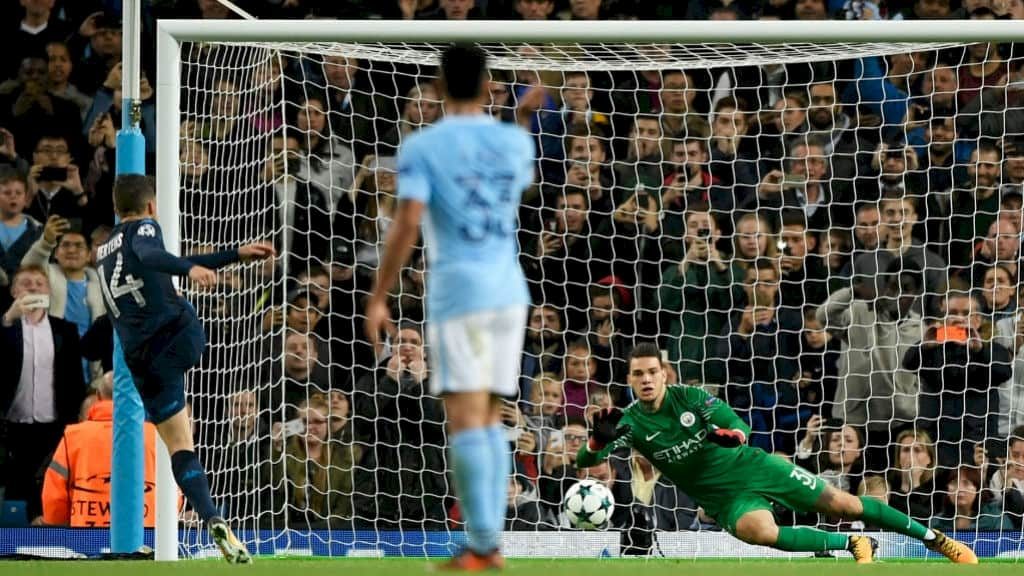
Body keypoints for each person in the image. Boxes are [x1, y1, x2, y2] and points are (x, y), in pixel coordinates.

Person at [363, 44, 534, 571]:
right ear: (488, 86)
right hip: (510, 291)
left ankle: (484, 547)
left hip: (460, 292)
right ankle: (487, 543)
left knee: (465, 420)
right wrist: (529, 103)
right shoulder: (512, 142)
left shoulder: (424, 145)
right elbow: (515, 173)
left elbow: (408, 221)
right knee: (486, 415)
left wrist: (380, 293)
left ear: (436, 87)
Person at [577, 343, 978, 564]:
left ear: (664, 373)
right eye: (638, 374)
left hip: (756, 468)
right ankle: (851, 546)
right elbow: (585, 463)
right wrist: (596, 441)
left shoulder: (691, 397)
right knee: (761, 533)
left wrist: (728, 436)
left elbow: (739, 427)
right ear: (629, 379)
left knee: (845, 504)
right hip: (724, 498)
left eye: (652, 372)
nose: (646, 379)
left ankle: (935, 539)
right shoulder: (625, 422)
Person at [95, 174, 275, 563]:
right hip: (178, 337)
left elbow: (158, 261)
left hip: (141, 362)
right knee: (178, 297)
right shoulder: (143, 227)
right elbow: (150, 253)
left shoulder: (103, 250)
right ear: (150, 206)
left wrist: (234, 254)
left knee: (180, 445)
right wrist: (190, 273)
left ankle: (211, 517)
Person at [41, 372, 158, 527]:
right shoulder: (155, 436)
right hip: (144, 537)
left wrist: (59, 527)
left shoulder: (73, 436)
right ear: (135, 395)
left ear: (98, 396)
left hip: (84, 538)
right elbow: (174, 492)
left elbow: (54, 496)